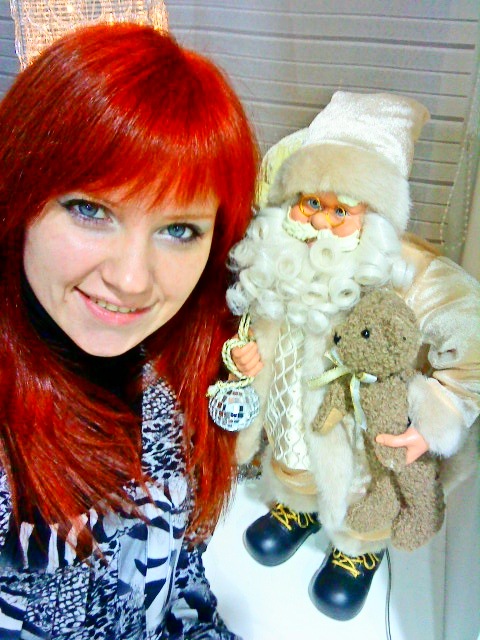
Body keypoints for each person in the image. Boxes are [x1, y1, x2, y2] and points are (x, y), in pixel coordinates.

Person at [0, 22, 258, 638]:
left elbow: (179, 580)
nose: (133, 280)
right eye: (90, 209)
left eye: (179, 230)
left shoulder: (179, 365)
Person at [226, 91, 480, 620]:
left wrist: (439, 412)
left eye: (341, 211)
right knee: (293, 456)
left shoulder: (403, 268)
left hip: (361, 429)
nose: (321, 223)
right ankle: (297, 509)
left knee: (362, 489)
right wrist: (244, 354)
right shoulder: (278, 250)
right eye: (311, 204)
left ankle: (357, 549)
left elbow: (471, 331)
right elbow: (253, 316)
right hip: (289, 409)